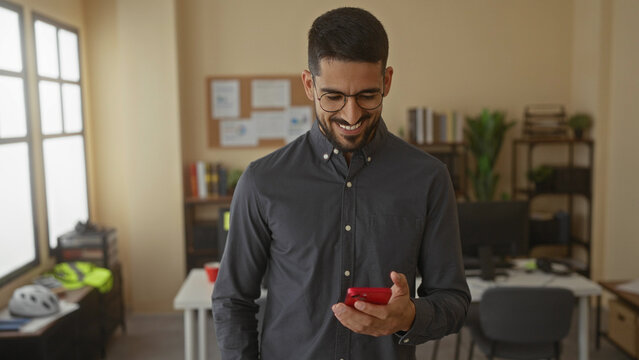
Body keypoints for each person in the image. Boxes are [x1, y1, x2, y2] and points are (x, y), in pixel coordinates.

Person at [212, 7, 470, 360]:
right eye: (333, 96)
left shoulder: (428, 178)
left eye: (367, 95)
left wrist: (410, 315)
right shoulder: (262, 181)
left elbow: (453, 301)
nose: (352, 115)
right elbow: (232, 299)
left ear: (388, 81)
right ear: (308, 84)